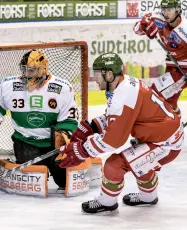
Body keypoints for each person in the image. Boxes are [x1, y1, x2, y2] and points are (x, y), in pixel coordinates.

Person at [55, 53, 184, 214]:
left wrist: (81, 150)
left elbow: (113, 141)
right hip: (162, 136)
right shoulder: (123, 85)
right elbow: (117, 117)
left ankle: (107, 202)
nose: (95, 78)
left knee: (114, 165)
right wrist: (90, 127)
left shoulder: (123, 95)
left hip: (165, 144)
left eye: (98, 73)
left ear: (109, 74)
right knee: (140, 163)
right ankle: (148, 197)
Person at [0, 49, 79, 193]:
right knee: (32, 184)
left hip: (53, 144)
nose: (27, 74)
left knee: (66, 181)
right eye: (24, 70)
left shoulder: (62, 88)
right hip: (26, 141)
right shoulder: (8, 86)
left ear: (43, 70)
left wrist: (63, 139)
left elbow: (70, 118)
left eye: (32, 70)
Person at [133, 0, 187, 117]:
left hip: (182, 71)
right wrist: (143, 25)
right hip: (171, 66)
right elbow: (136, 29)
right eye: (164, 9)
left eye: (169, 10)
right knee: (170, 102)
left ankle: (172, 126)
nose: (166, 13)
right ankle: (176, 125)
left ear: (178, 10)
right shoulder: (157, 18)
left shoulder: (185, 30)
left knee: (155, 94)